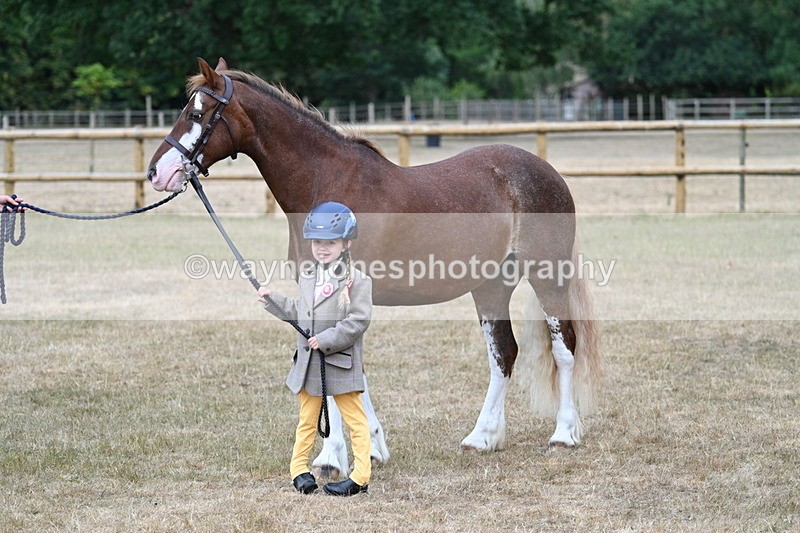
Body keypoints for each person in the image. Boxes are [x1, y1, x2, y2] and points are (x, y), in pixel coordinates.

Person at [258, 201, 373, 497]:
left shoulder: (358, 280)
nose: (322, 248)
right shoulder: (308, 276)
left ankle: (360, 476)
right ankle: (299, 469)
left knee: (355, 420)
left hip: (339, 362)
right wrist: (275, 301)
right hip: (310, 364)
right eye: (317, 242)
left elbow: (358, 320)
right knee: (307, 420)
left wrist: (327, 339)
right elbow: (301, 312)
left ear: (346, 243)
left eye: (330, 243)